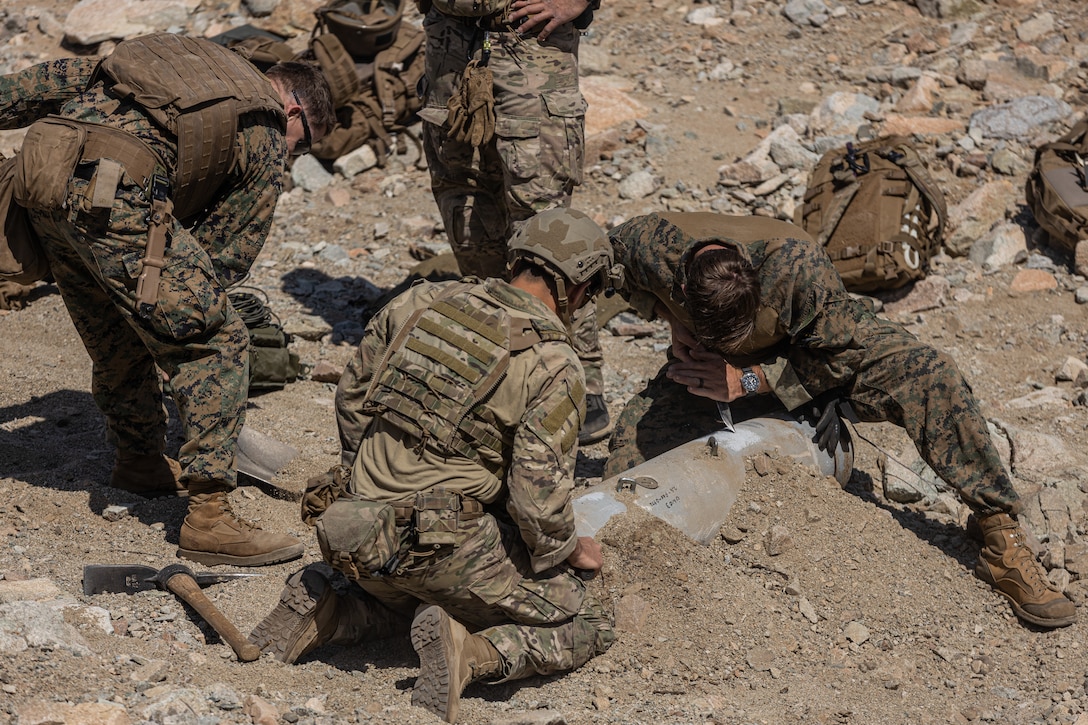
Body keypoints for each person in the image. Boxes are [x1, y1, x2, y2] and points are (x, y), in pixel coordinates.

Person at [606, 211, 1076, 630]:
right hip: (714, 368)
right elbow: (611, 273)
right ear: (685, 287)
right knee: (633, 447)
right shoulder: (648, 241)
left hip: (812, 357)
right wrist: (675, 323)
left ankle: (1000, 536)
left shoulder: (798, 269)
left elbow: (841, 357)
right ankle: (616, 564)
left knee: (932, 374)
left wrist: (749, 381)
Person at [248, 208, 619, 723]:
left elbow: (351, 396)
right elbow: (537, 497)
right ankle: (473, 654)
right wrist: (565, 549)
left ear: (516, 259)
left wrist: (366, 478)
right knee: (590, 618)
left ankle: (333, 610)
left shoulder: (421, 300)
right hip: (441, 546)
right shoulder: (554, 363)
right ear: (578, 287)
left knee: (417, 595)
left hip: (352, 531)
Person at [0, 33, 335, 567]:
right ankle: (210, 518)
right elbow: (227, 255)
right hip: (116, 191)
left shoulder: (181, 72)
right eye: (306, 141)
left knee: (115, 327)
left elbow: (45, 83)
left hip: (41, 178)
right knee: (218, 339)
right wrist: (179, 314)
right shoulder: (266, 123)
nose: (295, 155)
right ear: (294, 107)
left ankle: (139, 462)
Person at [415, 0, 611, 445]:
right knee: (467, 220)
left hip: (531, 49)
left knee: (548, 237)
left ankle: (578, 379)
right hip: (450, 53)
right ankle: (500, 367)